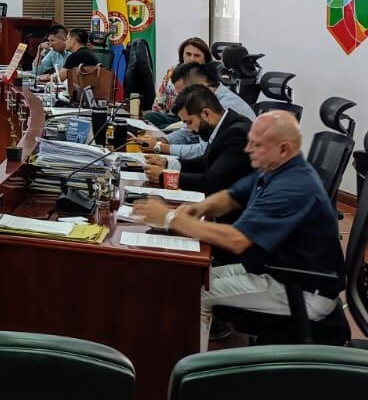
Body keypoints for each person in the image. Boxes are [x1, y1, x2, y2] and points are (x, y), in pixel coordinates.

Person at [130, 113, 343, 339]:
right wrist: (200, 208)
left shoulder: (292, 186)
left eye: (257, 144)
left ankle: (193, 370)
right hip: (272, 269)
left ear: (284, 149)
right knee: (192, 278)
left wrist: (171, 219)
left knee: (195, 295)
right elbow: (232, 197)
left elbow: (236, 240)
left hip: (302, 289)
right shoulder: (275, 169)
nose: (248, 148)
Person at [142, 85, 252, 195]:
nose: (189, 130)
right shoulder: (224, 124)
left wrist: (165, 177)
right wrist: (166, 163)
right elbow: (205, 162)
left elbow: (213, 182)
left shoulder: (238, 134)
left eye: (189, 122)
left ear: (207, 114)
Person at [142, 63, 255, 158]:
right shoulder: (206, 100)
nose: (180, 99)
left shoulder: (224, 106)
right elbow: (186, 133)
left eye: (184, 93)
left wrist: (161, 147)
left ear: (200, 87)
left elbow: (204, 151)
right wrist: (159, 140)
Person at [149, 36, 212, 122]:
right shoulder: (172, 71)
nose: (191, 59)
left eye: (197, 55)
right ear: (182, 55)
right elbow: (159, 102)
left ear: (205, 58)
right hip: (170, 117)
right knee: (150, 117)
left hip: (193, 120)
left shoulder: (207, 77)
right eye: (188, 54)